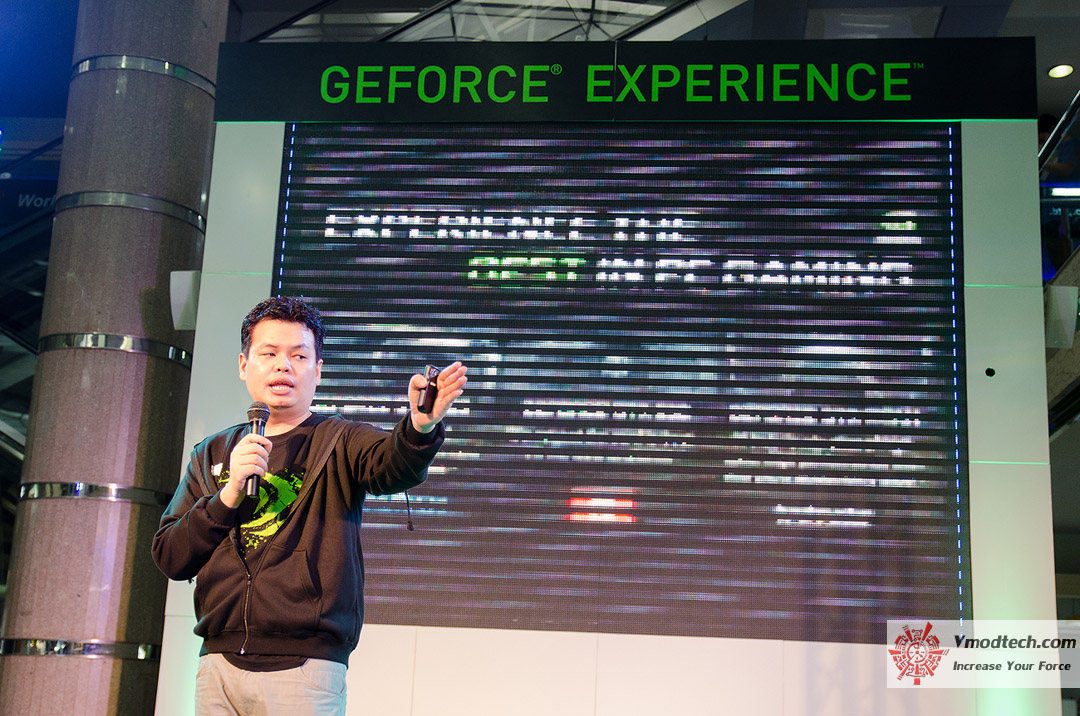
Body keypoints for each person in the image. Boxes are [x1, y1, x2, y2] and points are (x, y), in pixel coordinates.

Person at [152, 296, 467, 715]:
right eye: (268, 354)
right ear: (244, 365)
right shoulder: (212, 453)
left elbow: (394, 466)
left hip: (305, 668)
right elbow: (171, 557)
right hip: (218, 666)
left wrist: (420, 426)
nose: (283, 366)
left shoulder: (340, 440)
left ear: (317, 370)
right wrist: (227, 496)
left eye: (298, 356)